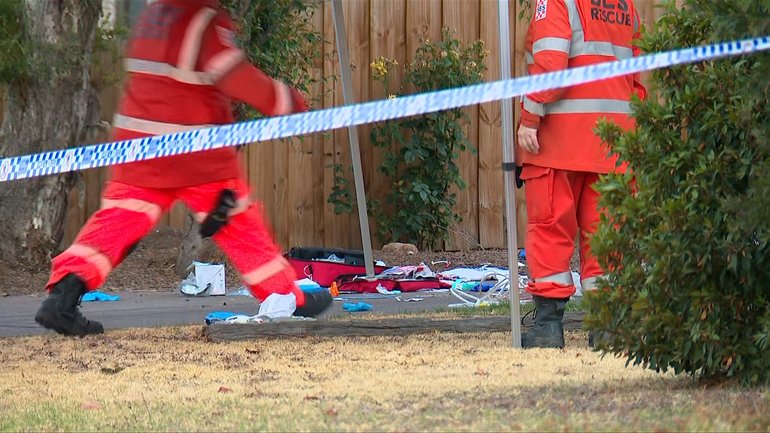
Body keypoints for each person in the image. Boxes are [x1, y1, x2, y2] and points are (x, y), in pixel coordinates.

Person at [34, 0, 332, 336]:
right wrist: (289, 102)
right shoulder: (203, 18)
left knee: (115, 224)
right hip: (193, 153)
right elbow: (234, 76)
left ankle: (62, 298)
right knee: (239, 221)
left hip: (139, 148)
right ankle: (285, 297)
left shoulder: (151, 16)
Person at [516, 0, 646, 348]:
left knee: (550, 227)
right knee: (607, 235)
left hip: (560, 140)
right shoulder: (626, 6)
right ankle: (607, 328)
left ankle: (548, 327)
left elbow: (550, 64)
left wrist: (529, 116)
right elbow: (638, 78)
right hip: (614, 142)